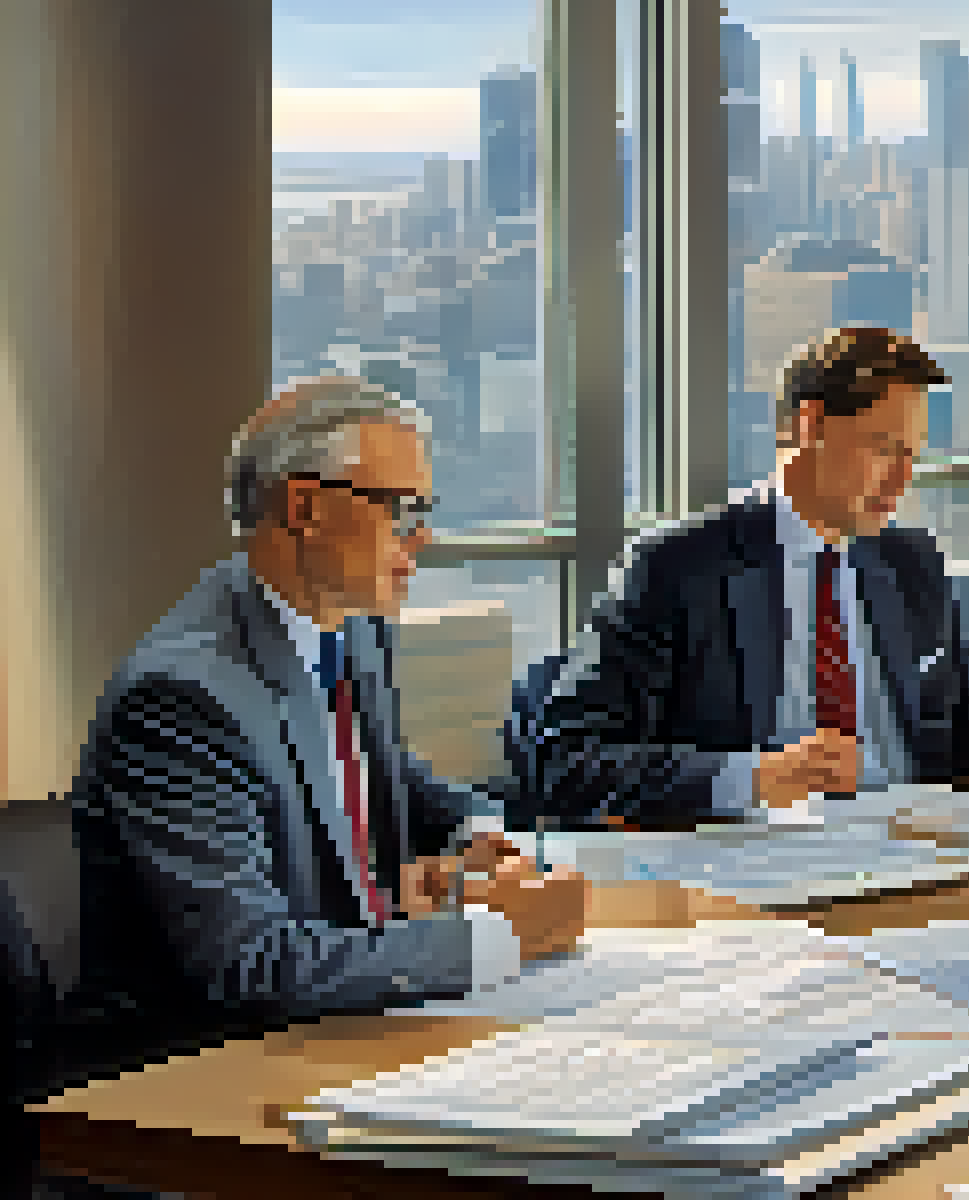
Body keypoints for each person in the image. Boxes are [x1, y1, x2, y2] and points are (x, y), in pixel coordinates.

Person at [67, 378, 589, 1071]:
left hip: (340, 1035)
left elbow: (384, 772)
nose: (422, 538)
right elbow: (252, 966)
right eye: (401, 511)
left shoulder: (351, 630)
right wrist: (499, 939)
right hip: (196, 1075)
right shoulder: (184, 696)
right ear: (304, 506)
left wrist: (481, 835)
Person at [533, 327, 969, 828]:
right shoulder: (679, 566)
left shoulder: (911, 563)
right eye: (884, 448)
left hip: (923, 850)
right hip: (761, 875)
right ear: (810, 426)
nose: (902, 479)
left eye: (912, 455)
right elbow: (566, 759)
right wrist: (750, 778)